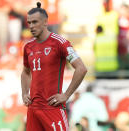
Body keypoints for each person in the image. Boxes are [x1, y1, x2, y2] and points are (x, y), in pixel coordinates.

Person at [21, 2, 87, 131]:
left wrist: (66, 95)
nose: (31, 26)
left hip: (52, 108)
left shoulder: (60, 43)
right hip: (33, 110)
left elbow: (81, 68)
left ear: (45, 22)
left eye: (35, 22)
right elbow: (25, 72)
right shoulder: (28, 47)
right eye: (29, 23)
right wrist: (24, 93)